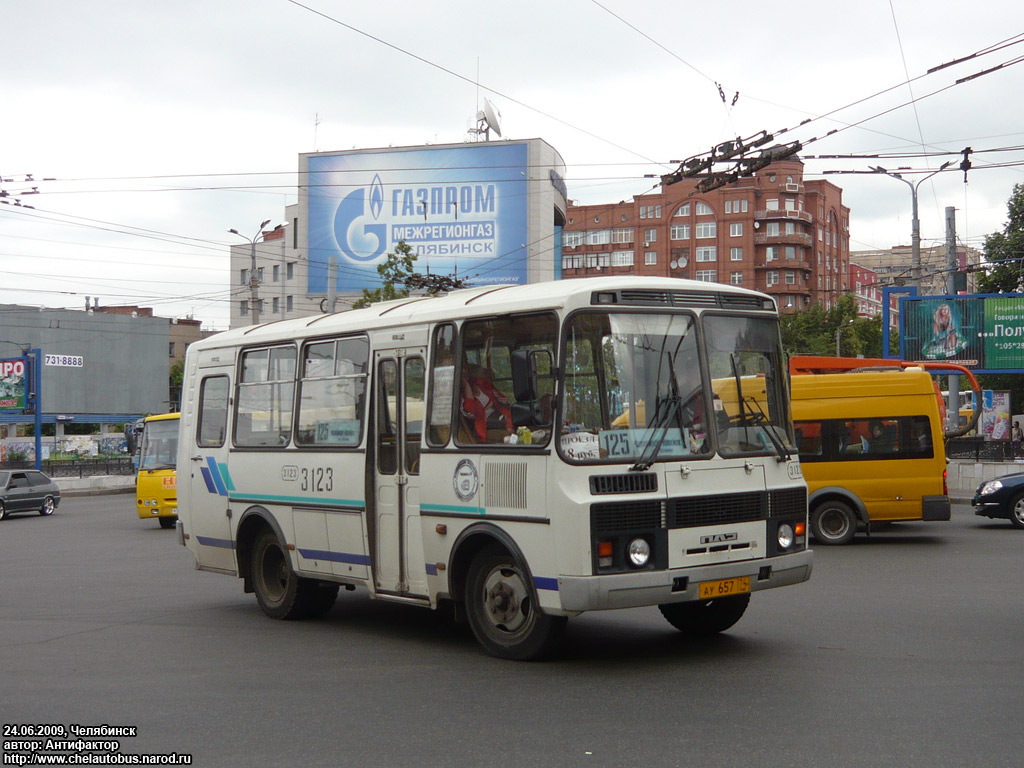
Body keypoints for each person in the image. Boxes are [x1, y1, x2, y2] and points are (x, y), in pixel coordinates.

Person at [459, 363, 513, 442]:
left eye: (464, 369)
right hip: (483, 427)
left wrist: (509, 423)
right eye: (461, 371)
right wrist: (466, 385)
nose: (464, 372)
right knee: (510, 438)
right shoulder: (461, 395)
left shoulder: (481, 383)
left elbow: (502, 400)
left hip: (498, 417)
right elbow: (471, 412)